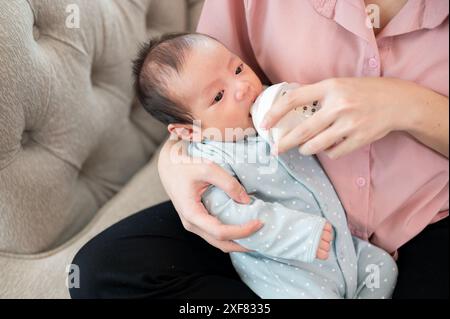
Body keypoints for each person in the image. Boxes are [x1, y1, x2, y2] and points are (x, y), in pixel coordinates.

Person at [69, 0, 448, 299]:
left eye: (238, 71)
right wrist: (175, 164)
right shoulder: (226, 146)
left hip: (423, 224)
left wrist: (409, 105)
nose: (241, 87)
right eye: (221, 94)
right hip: (287, 242)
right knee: (103, 270)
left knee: (385, 275)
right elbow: (191, 90)